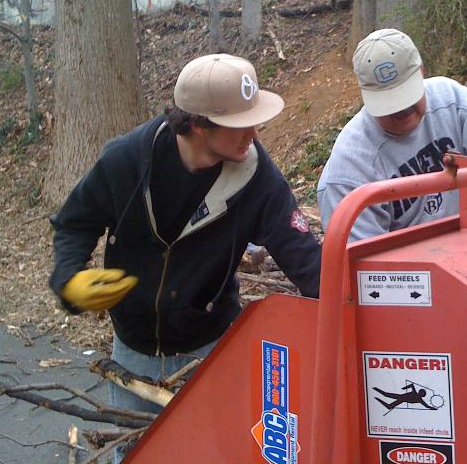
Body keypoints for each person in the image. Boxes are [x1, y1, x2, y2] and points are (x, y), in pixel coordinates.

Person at [48, 53, 321, 426]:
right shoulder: (127, 161)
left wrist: (348, 311)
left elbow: (305, 258)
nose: (253, 134)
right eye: (238, 124)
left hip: (213, 345)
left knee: (218, 463)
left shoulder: (257, 177)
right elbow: (74, 223)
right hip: (134, 350)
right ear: (196, 124)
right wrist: (69, 281)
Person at [317, 28, 467, 242]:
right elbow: (364, 265)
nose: (402, 110)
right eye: (389, 103)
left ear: (421, 71)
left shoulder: (452, 101)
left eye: (406, 97)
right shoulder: (347, 172)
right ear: (365, 94)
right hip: (405, 274)